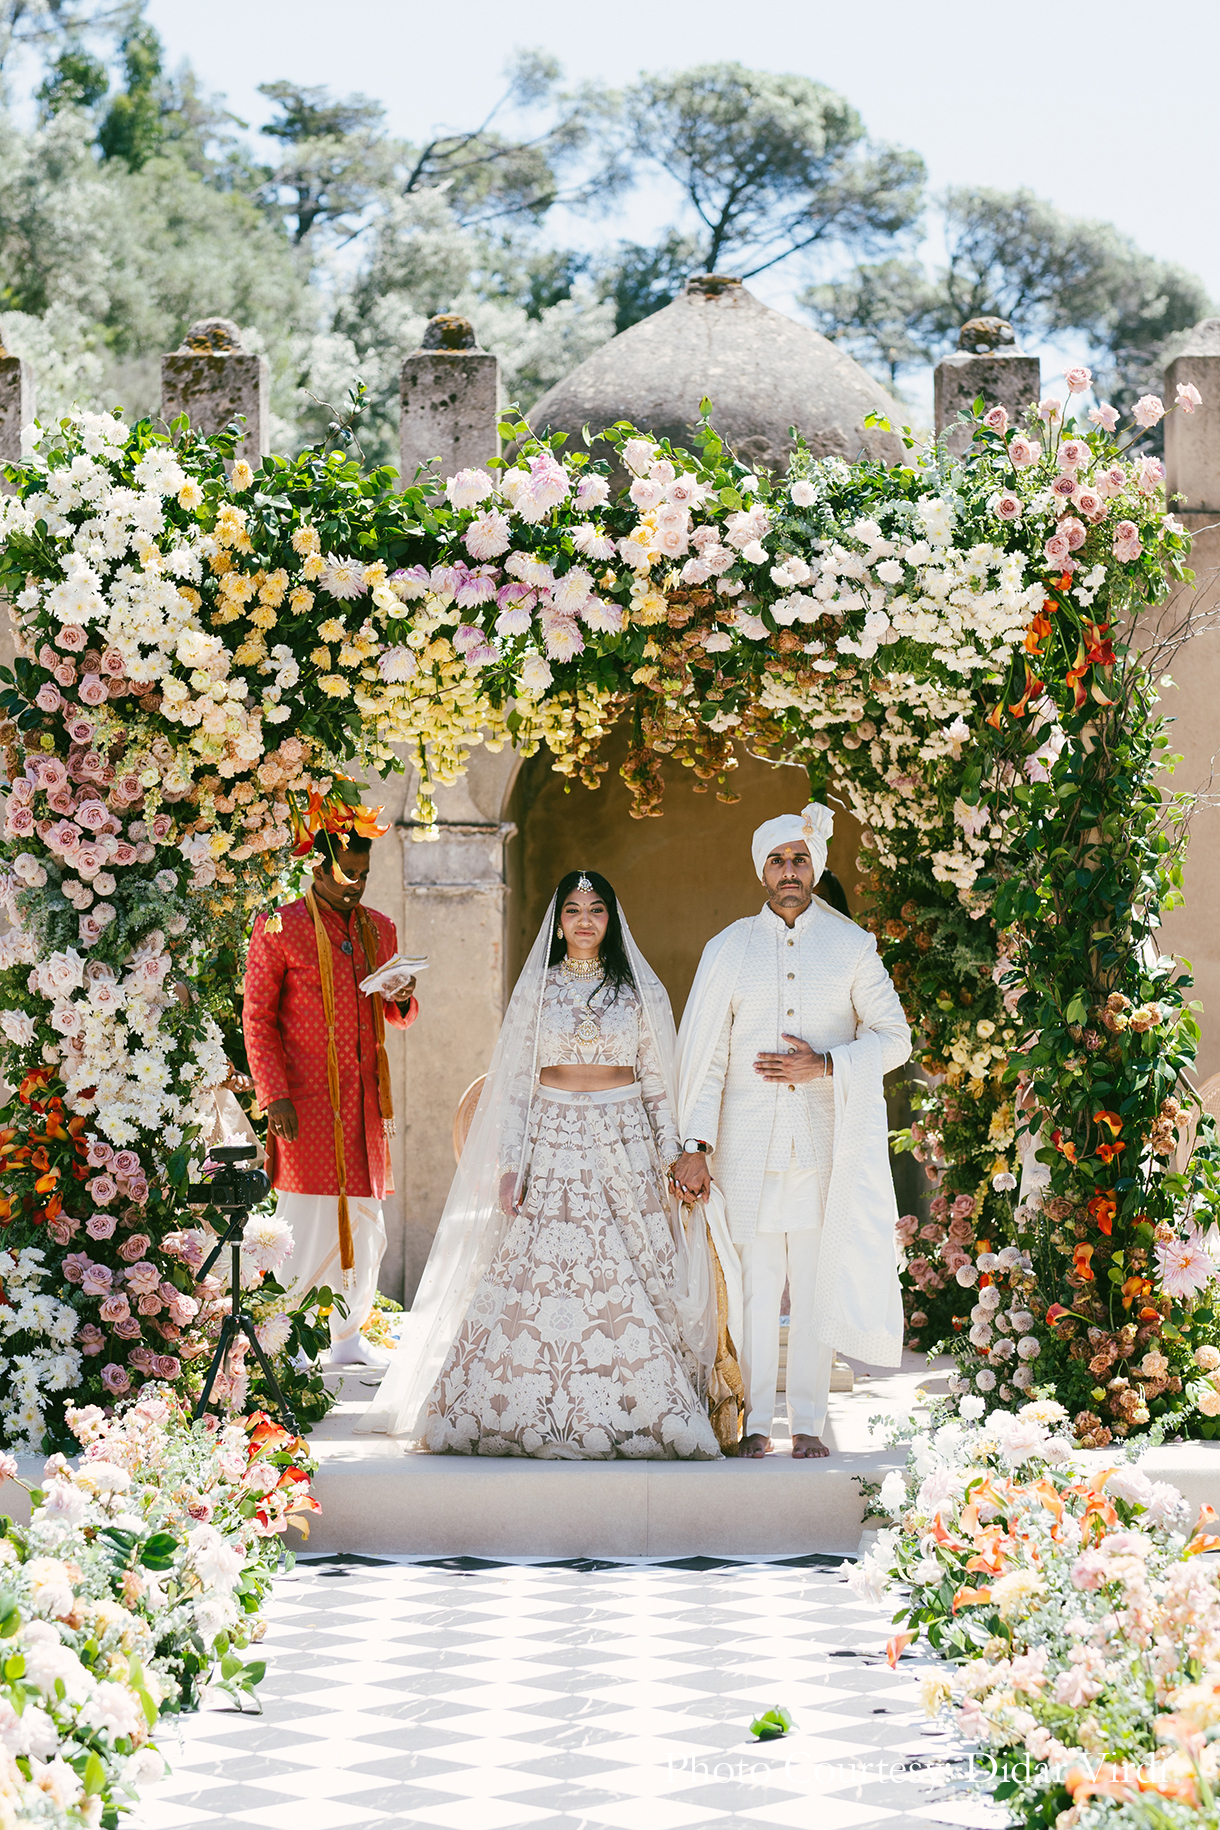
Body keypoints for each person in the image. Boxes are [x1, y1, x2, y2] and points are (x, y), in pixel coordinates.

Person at [360, 870, 721, 1459]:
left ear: (612, 919)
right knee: (543, 1279)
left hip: (624, 1139)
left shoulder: (638, 994)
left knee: (628, 1270)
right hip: (552, 1142)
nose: (584, 919)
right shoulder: (539, 990)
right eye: (573, 908)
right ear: (558, 922)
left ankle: (638, 1413)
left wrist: (671, 1157)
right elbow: (516, 1091)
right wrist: (510, 1164)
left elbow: (657, 1086)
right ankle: (529, 1413)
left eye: (596, 908)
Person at [674, 803, 911, 1459]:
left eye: (799, 860)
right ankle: (751, 1423)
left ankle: (806, 1422)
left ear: (816, 868)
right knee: (751, 1288)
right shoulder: (728, 949)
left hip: (822, 1150)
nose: (788, 871)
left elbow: (895, 1039)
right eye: (777, 860)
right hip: (745, 1149)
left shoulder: (852, 947)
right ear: (762, 871)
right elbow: (709, 1055)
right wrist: (695, 1146)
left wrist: (827, 1064)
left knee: (812, 1286)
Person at [243, 822, 420, 1366]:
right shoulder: (279, 926)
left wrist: (403, 995)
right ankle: (292, 1341)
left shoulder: (380, 929)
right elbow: (257, 1018)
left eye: (364, 875)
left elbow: (397, 1015)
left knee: (367, 1225)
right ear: (316, 867)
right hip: (304, 1103)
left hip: (365, 1106)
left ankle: (347, 1338)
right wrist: (274, 1097)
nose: (355, 886)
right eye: (347, 873)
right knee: (305, 1219)